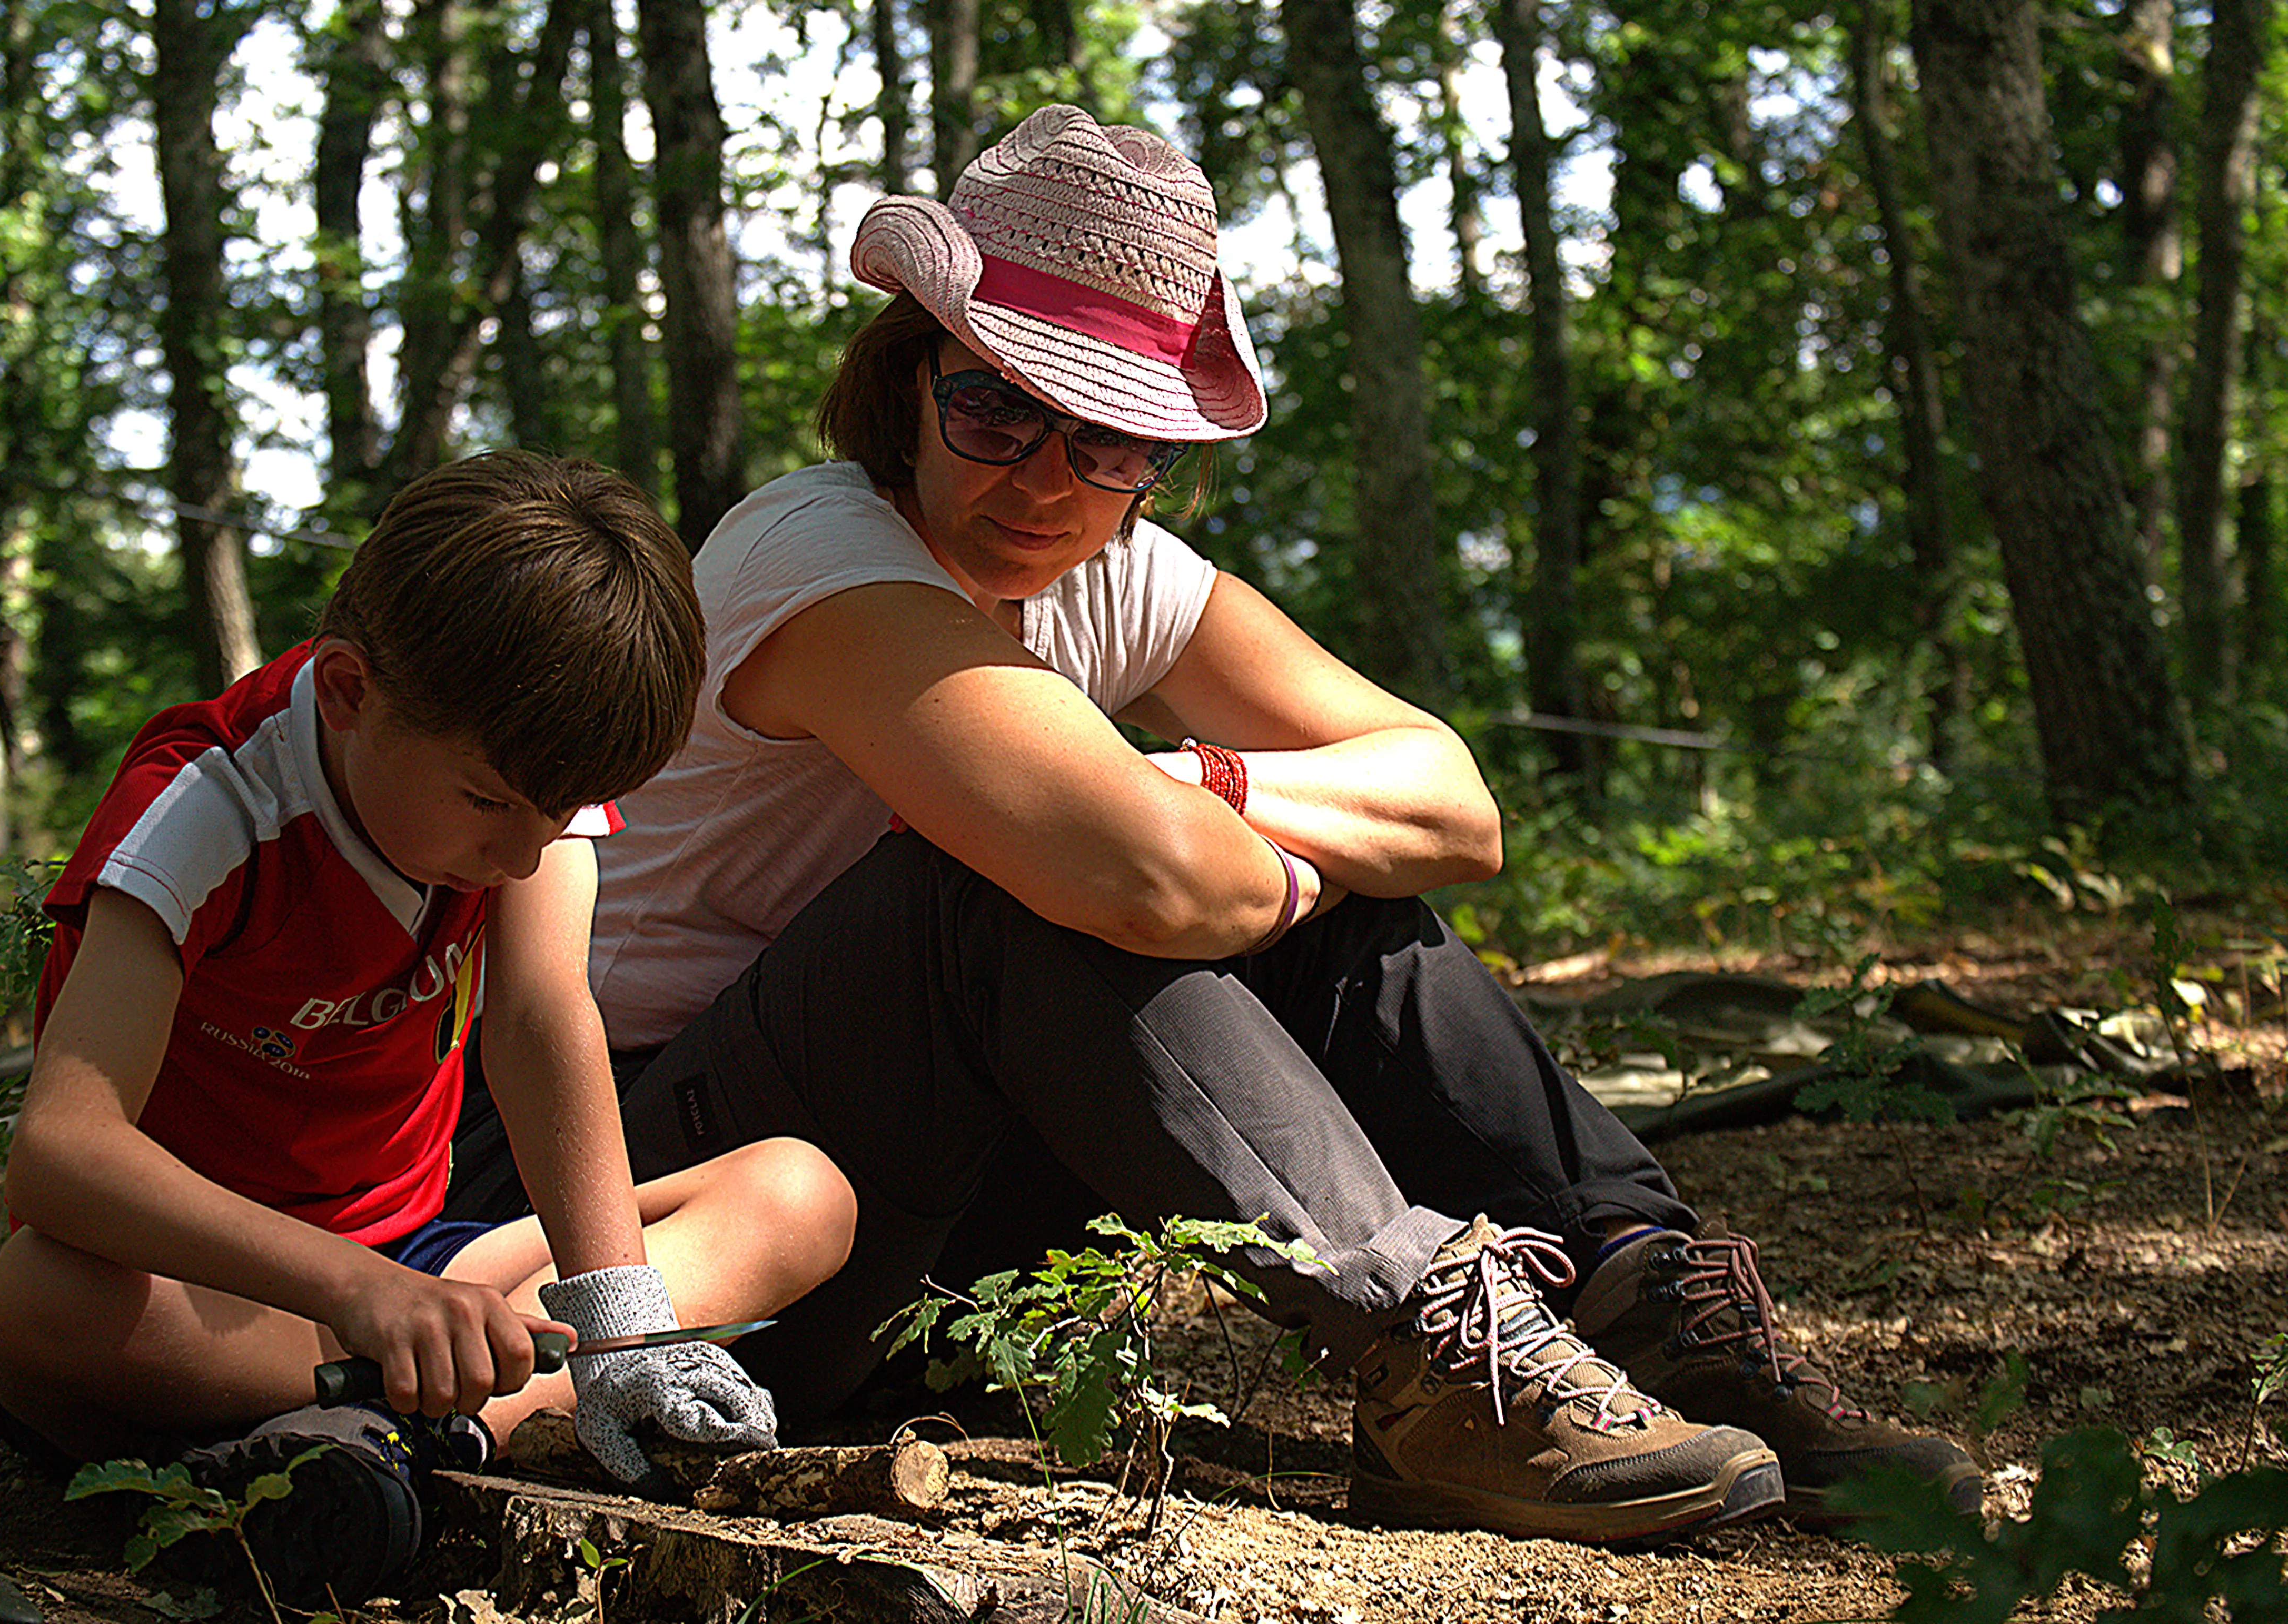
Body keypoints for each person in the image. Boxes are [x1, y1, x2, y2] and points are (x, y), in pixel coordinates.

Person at [444, 107, 1984, 1548]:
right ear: (907, 378)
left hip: (930, 1191)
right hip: (653, 1192)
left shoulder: (1122, 578)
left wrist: (1222, 786)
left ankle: (1639, 1299)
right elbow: (1130, 875)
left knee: (1349, 912)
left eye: (1111, 439)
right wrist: (1195, 827)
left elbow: (1453, 800)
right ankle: (1426, 1349)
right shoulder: (818, 555)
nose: (1048, 480)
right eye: (995, 406)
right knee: (997, 888)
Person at [0, 451, 856, 1607]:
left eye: (559, 817)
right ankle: (435, 1425)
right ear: (347, 690)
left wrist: (621, 1324)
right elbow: (64, 1152)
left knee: (801, 1194)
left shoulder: (520, 776)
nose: (524, 856)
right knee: (37, 1305)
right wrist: (355, 1294)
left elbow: (539, 1022)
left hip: (421, 1278)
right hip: (206, 1301)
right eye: (492, 805)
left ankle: (371, 1445)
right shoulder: (207, 810)